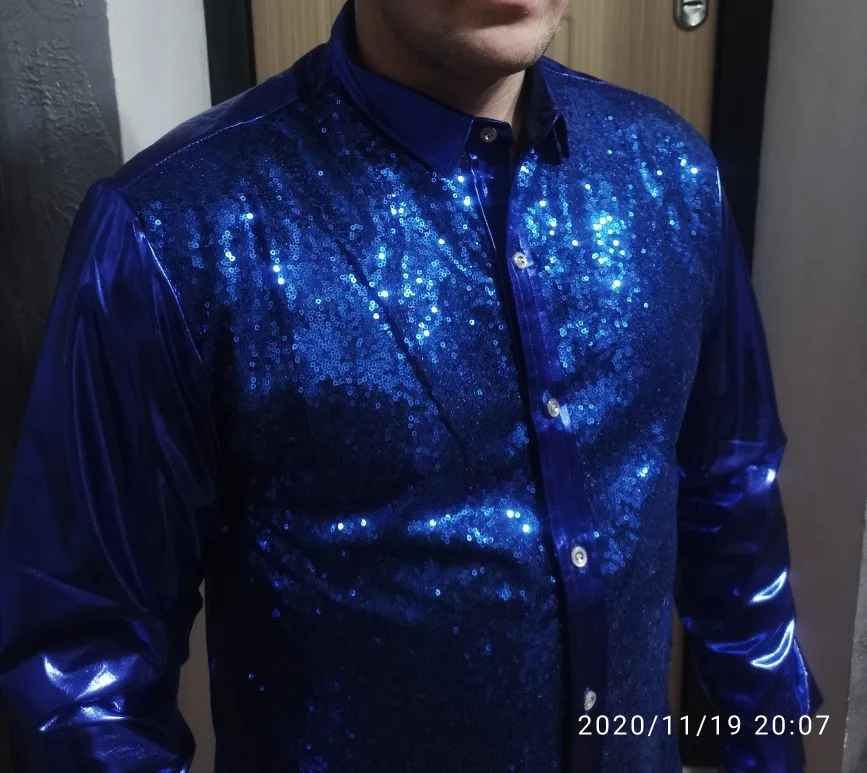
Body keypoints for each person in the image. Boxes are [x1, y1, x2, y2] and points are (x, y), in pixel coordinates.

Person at [0, 0, 822, 771]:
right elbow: (85, 661)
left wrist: (771, 747)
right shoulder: (173, 230)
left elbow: (731, 496)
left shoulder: (670, 172)